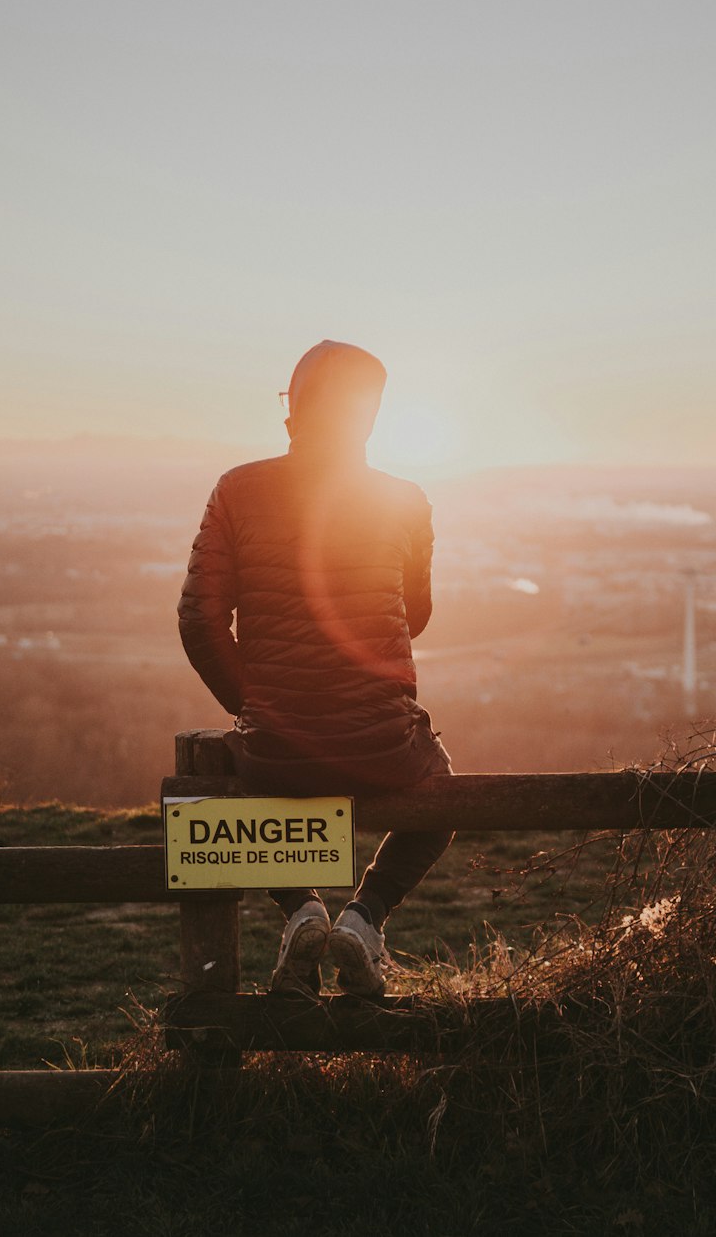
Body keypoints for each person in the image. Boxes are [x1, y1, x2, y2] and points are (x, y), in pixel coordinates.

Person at [177, 340, 453, 998]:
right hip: (384, 745)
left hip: (276, 749)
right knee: (442, 795)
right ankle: (365, 916)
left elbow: (199, 621)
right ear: (369, 416)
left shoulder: (238, 490)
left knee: (250, 792)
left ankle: (302, 909)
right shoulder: (405, 499)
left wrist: (256, 704)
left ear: (294, 408)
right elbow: (415, 616)